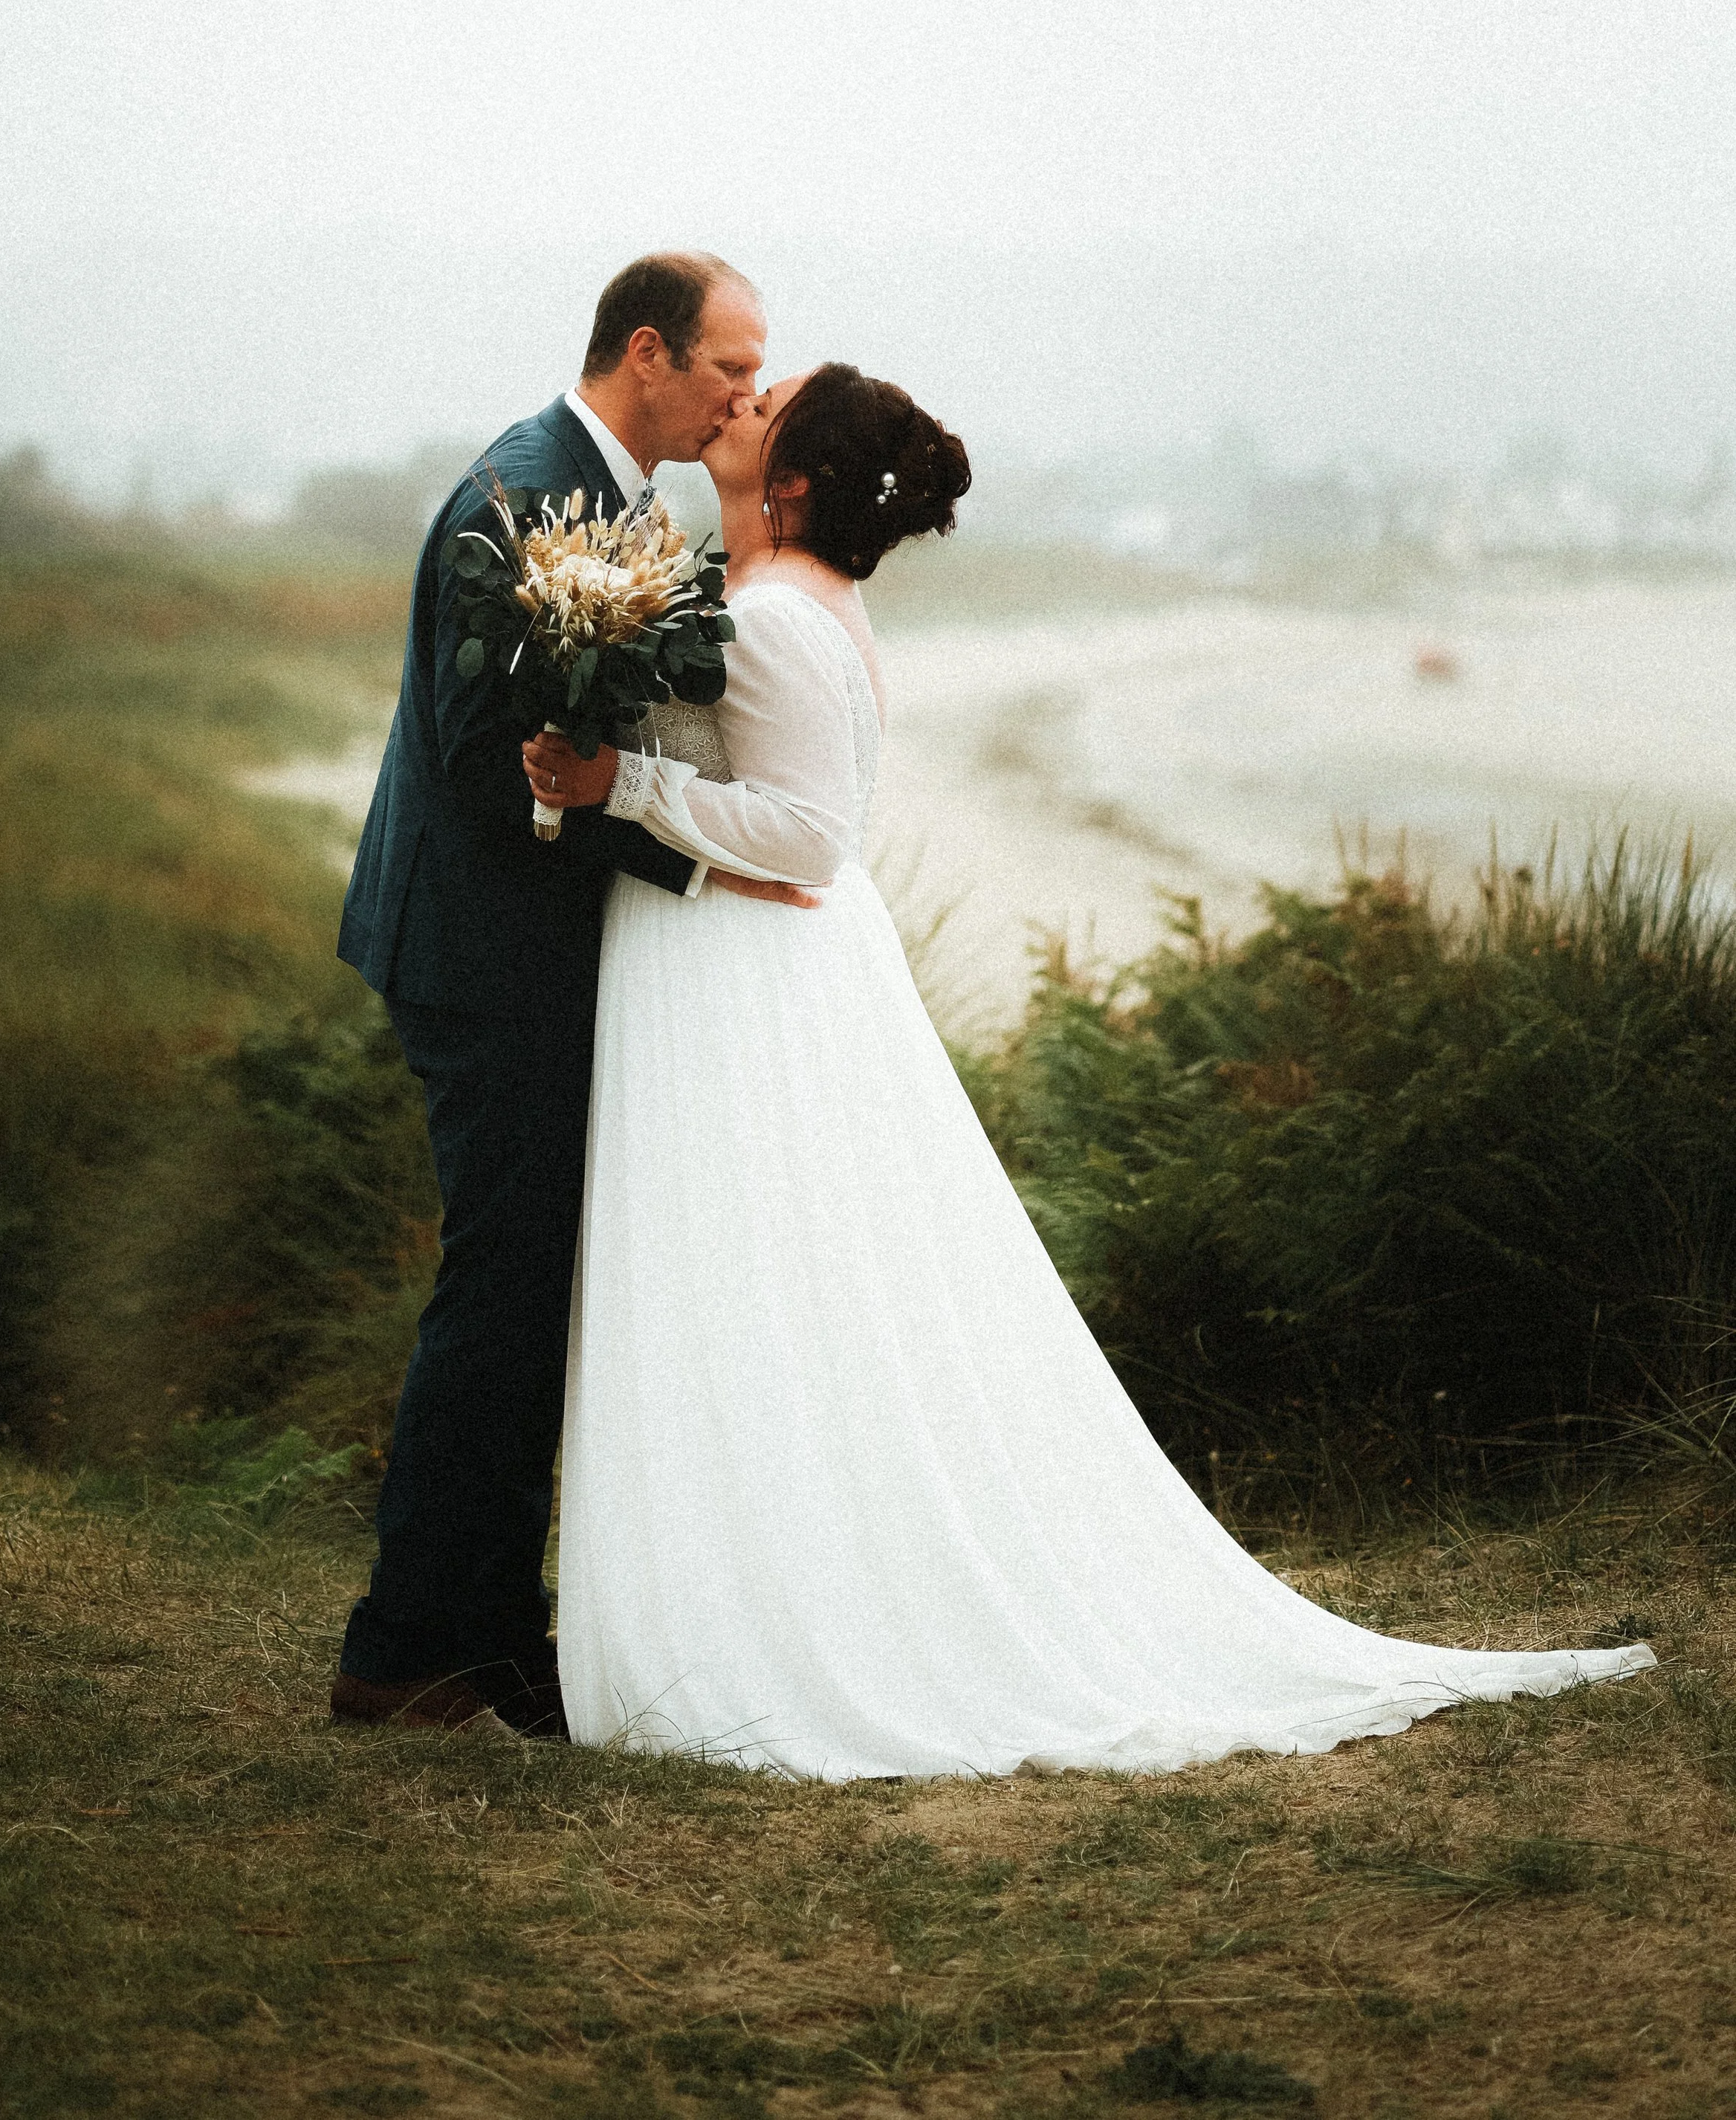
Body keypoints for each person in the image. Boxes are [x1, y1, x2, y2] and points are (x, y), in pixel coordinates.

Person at [525, 363, 1655, 1779]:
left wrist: (615, 785)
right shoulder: (760, 601)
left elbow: (809, 842)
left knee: (762, 1277)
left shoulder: (772, 616)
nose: (740, 405)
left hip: (751, 975)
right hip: (729, 964)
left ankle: (775, 1618)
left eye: (768, 405)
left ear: (796, 482)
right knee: (759, 1278)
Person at [330, 253, 812, 1736]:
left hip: (516, 945)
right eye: (731, 369)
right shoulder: (528, 495)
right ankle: (410, 1647)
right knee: (499, 1295)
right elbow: (490, 772)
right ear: (650, 352)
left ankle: (482, 1627)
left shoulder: (609, 497)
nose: (747, 398)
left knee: (527, 1295)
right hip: (481, 956)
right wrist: (667, 847)